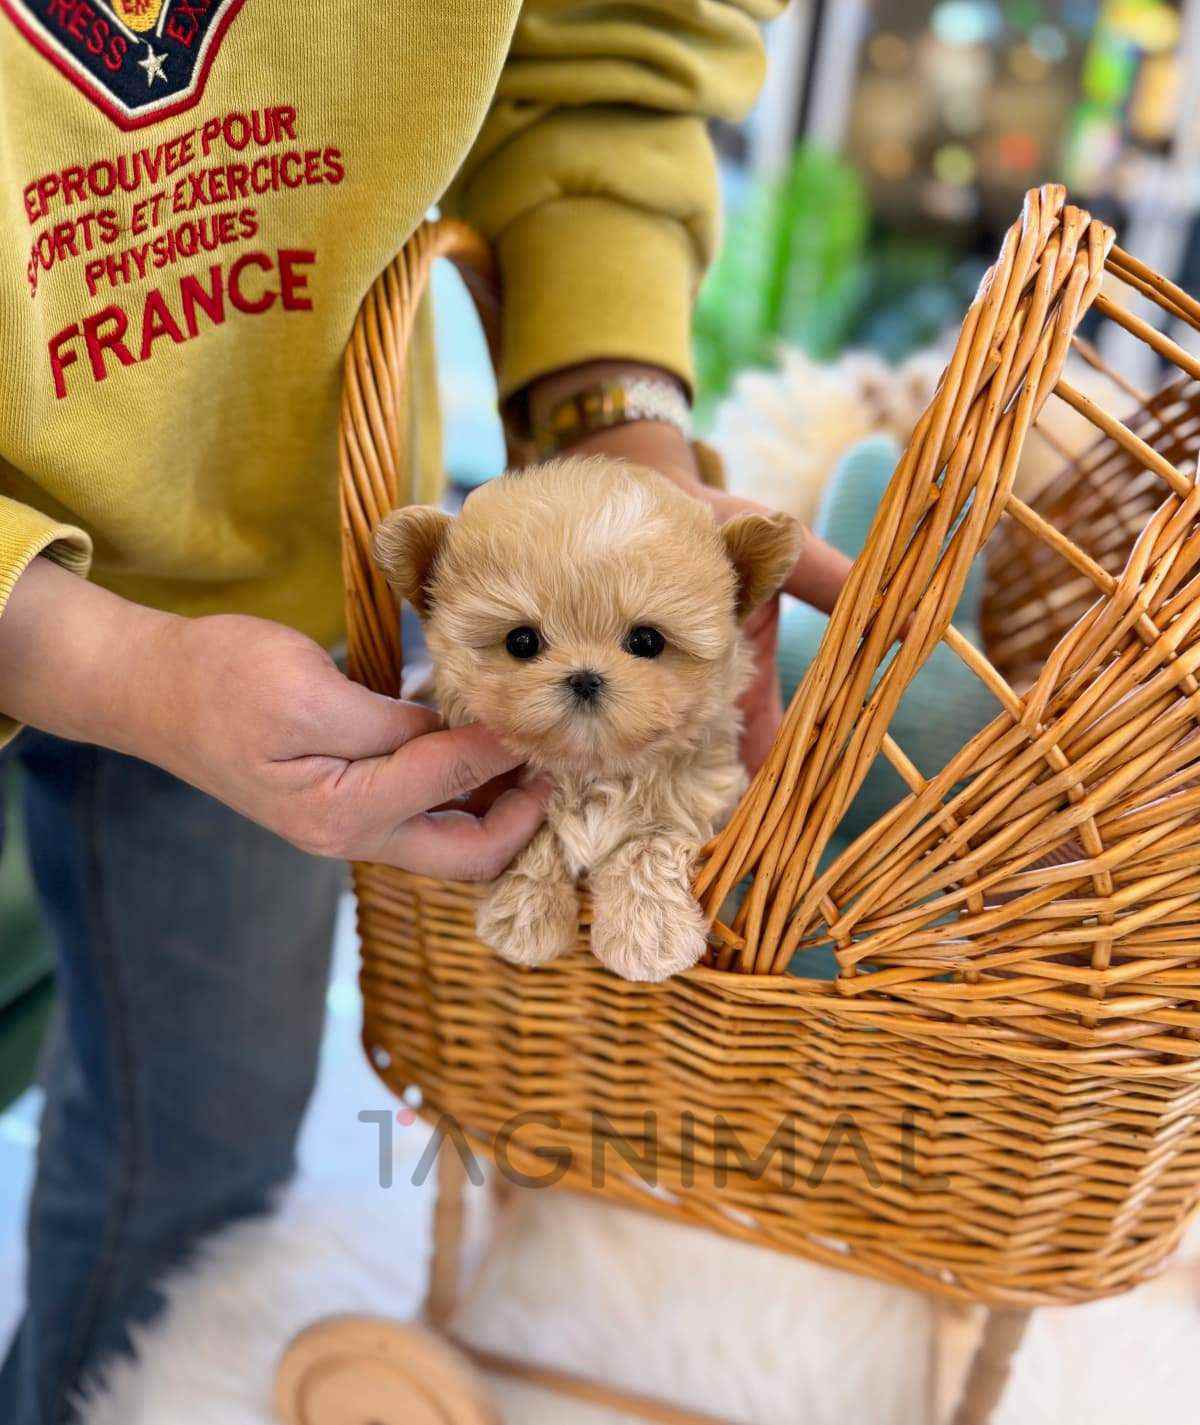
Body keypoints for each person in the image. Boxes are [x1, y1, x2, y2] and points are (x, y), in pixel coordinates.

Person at [0, 4, 850, 1420]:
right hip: (220, 593)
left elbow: (608, 49)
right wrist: (107, 665)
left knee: (197, 1163)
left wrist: (616, 420)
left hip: (280, 568)